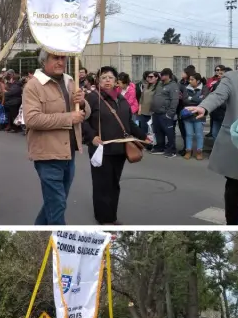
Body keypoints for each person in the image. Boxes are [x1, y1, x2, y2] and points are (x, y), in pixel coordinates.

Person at [188, 38, 238, 225]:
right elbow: (218, 95)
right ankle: (234, 223)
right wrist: (203, 107)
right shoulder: (232, 78)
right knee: (235, 191)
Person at [23, 50, 89, 225]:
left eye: (63, 58)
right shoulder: (33, 86)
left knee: (55, 204)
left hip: (69, 154)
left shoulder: (70, 81)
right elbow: (32, 119)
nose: (61, 62)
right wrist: (69, 118)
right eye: (56, 58)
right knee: (57, 204)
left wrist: (82, 102)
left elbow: (86, 113)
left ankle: (38, 229)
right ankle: (61, 245)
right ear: (45, 60)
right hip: (48, 156)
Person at [81, 66, 148, 225]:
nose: (107, 80)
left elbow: (129, 123)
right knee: (101, 185)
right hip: (101, 149)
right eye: (103, 77)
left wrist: (144, 135)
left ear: (116, 81)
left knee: (114, 184)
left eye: (110, 77)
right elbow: (82, 121)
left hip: (119, 150)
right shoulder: (92, 98)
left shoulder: (121, 99)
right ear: (98, 80)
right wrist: (92, 136)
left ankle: (112, 216)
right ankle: (103, 218)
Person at [150, 68, 180, 157]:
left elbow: (174, 101)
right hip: (156, 113)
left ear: (168, 76)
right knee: (158, 131)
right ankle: (160, 147)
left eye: (163, 75)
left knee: (169, 132)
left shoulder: (173, 86)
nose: (161, 76)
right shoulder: (159, 84)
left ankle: (171, 150)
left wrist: (169, 114)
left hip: (165, 113)